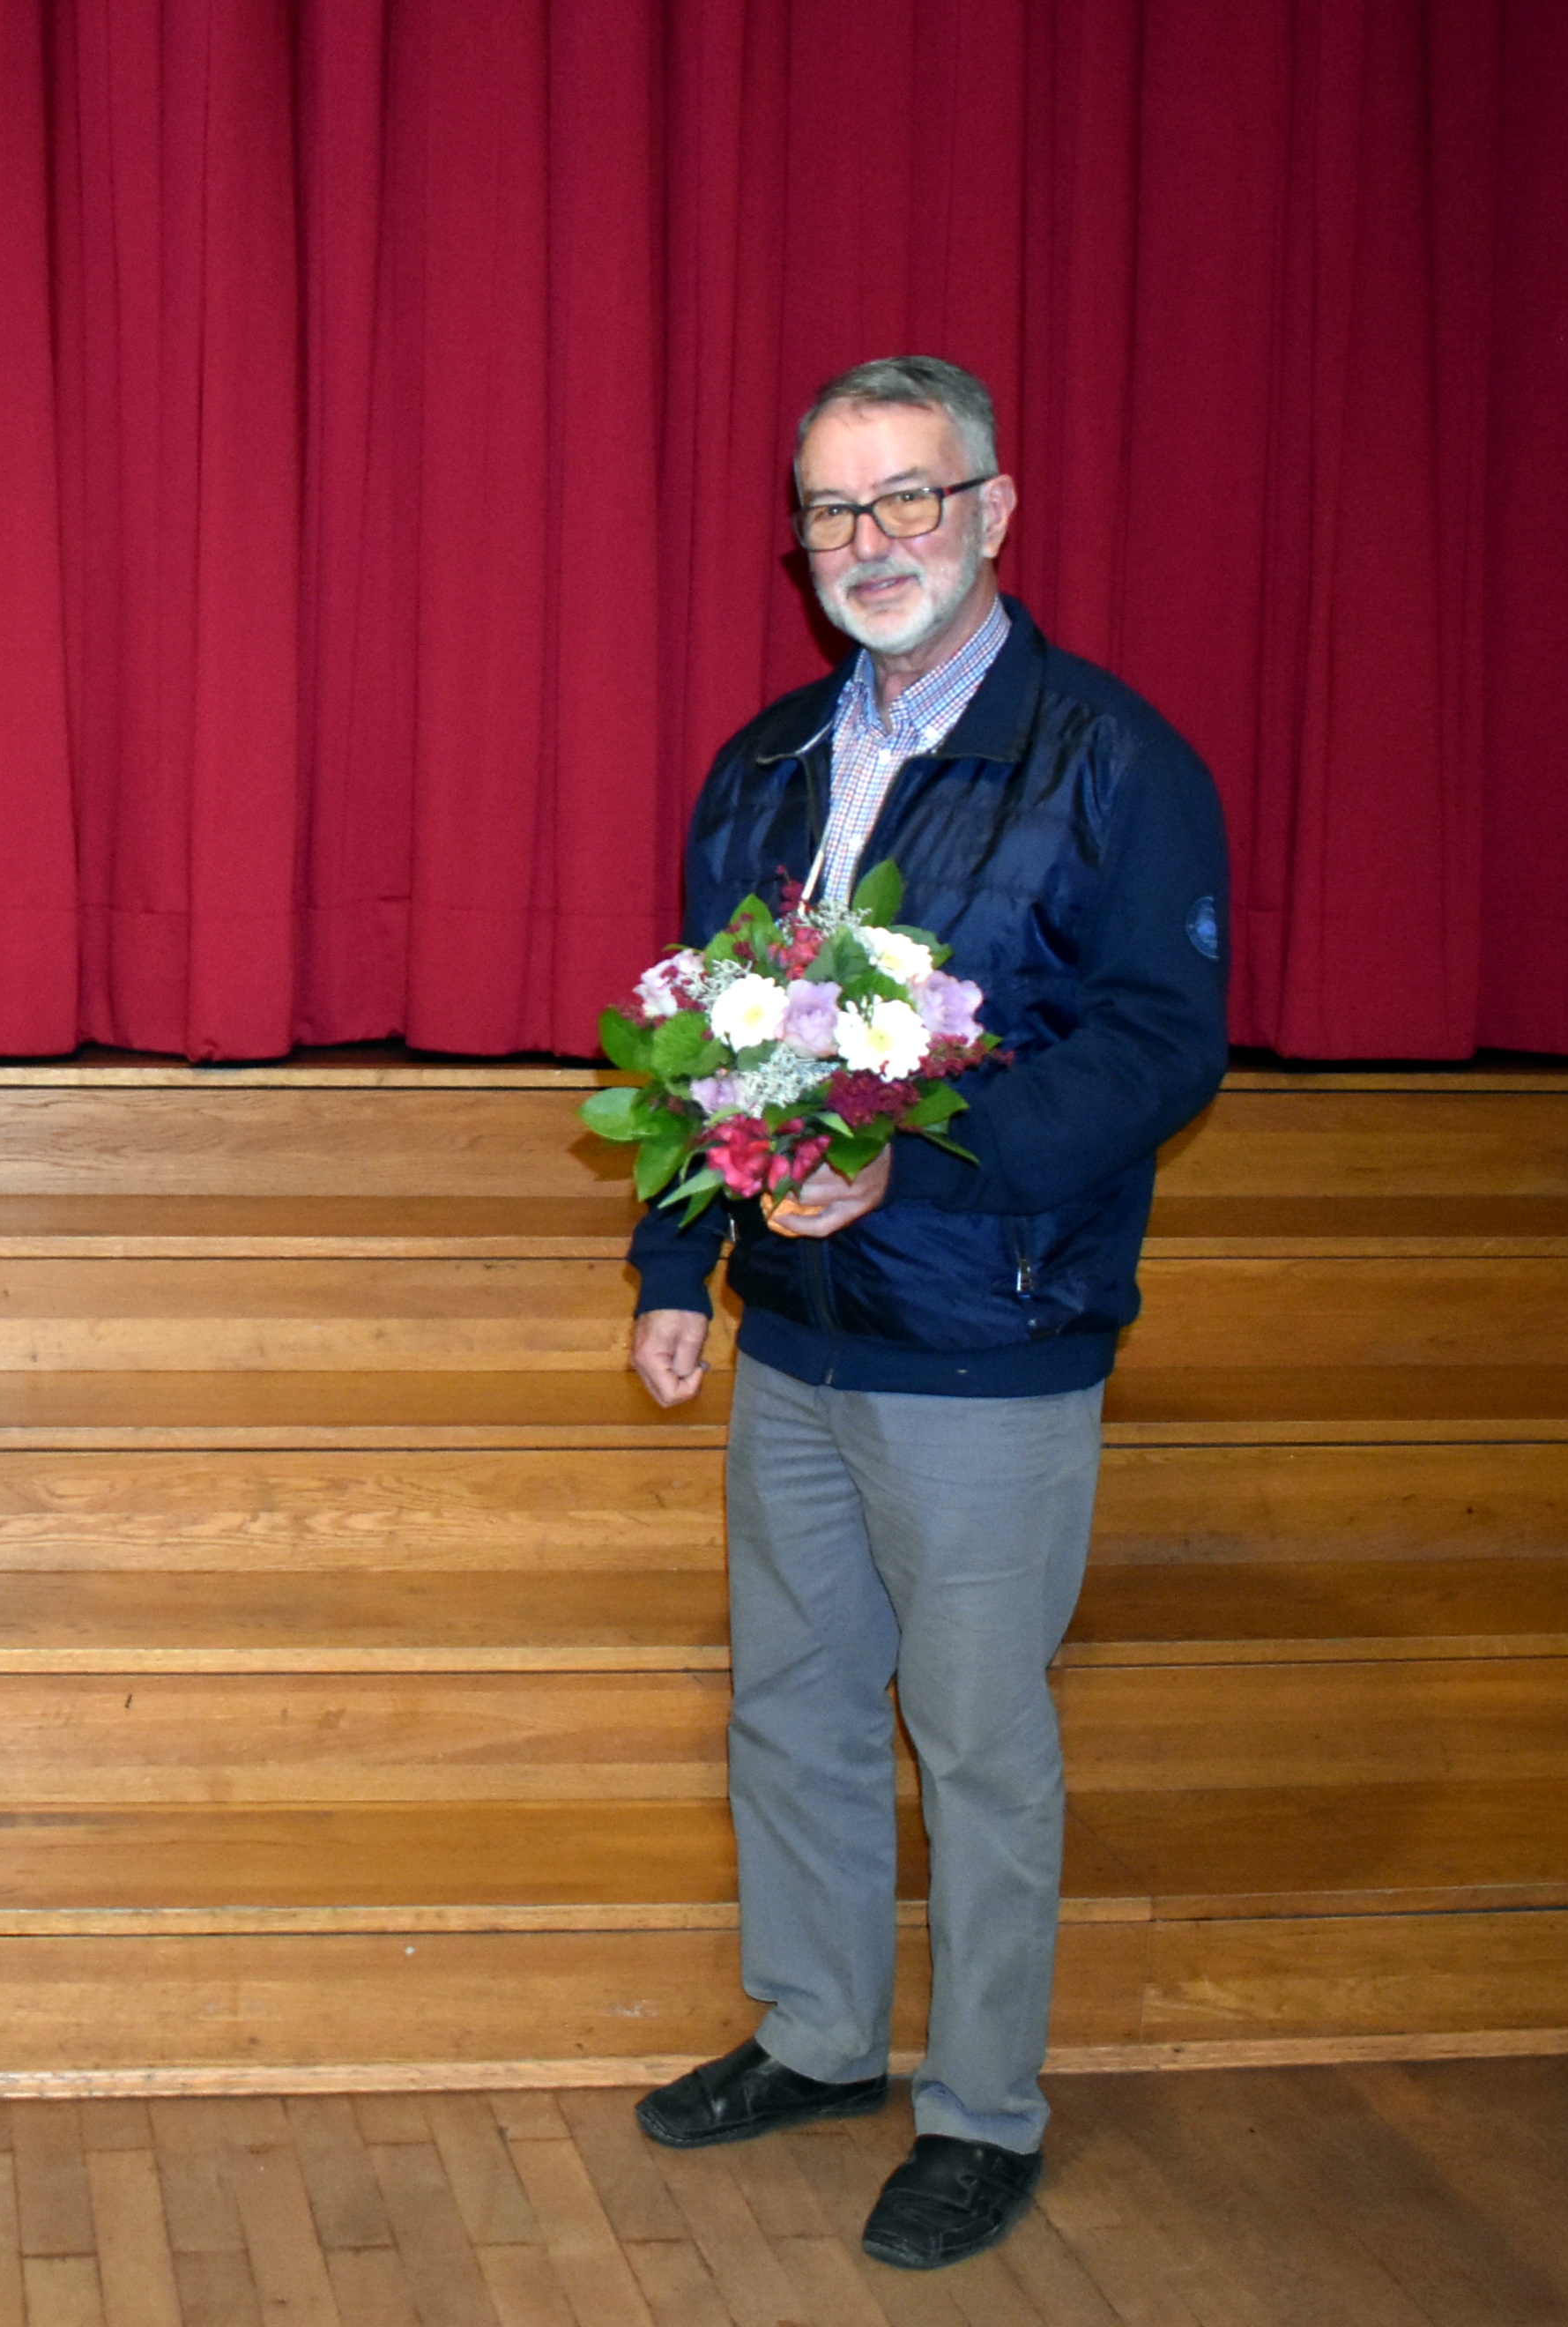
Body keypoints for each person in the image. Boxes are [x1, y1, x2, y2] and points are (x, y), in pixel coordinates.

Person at [622, 357, 1229, 2270]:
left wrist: (922, 1169)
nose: (867, 543)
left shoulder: (1113, 761)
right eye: (830, 510)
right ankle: (814, 2040)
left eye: (905, 499)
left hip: (986, 1337)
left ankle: (979, 2112)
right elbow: (697, 1041)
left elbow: (1158, 1045)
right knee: (791, 1715)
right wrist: (668, 1269)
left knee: (971, 1743)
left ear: (993, 507)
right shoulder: (764, 766)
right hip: (791, 1327)